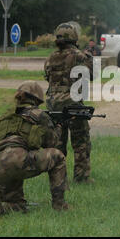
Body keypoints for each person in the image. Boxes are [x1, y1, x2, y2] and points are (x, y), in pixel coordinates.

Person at [0, 81, 69, 217]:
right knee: (57, 156)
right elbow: (52, 143)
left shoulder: (7, 115)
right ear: (36, 99)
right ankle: (60, 206)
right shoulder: (39, 114)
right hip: (18, 161)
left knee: (16, 207)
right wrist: (58, 127)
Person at [44, 22, 94, 184]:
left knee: (58, 143)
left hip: (53, 106)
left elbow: (47, 77)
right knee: (81, 142)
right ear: (74, 37)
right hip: (73, 105)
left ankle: (58, 177)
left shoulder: (50, 58)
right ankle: (81, 177)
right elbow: (91, 76)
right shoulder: (80, 56)